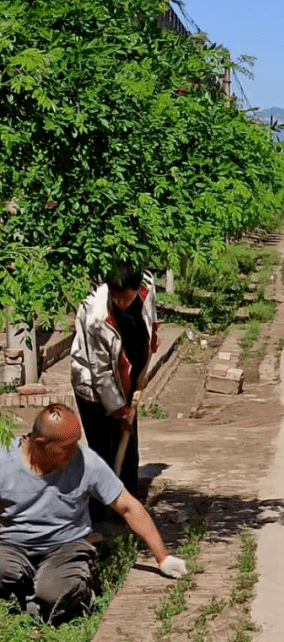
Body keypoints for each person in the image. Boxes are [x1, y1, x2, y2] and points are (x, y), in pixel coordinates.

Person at [0, 405, 186, 623]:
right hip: (12, 546)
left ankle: (70, 595)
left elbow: (128, 506)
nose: (74, 451)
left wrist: (163, 557)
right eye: (67, 447)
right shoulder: (5, 461)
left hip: (64, 546)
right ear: (41, 444)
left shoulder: (85, 462)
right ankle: (28, 595)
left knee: (55, 596)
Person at [70, 262, 160, 521]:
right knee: (101, 446)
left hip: (127, 375)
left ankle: (128, 505)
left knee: (128, 442)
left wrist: (153, 331)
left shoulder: (146, 285)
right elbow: (101, 374)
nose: (121, 302)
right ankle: (97, 513)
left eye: (126, 297)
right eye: (116, 297)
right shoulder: (96, 317)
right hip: (93, 385)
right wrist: (120, 410)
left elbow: (150, 310)